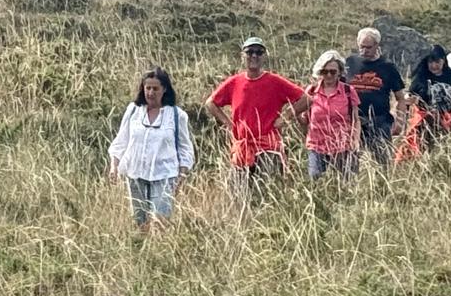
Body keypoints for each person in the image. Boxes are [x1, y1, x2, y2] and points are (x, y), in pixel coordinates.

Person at [208, 36, 307, 201]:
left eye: (259, 52)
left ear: (264, 56)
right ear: (242, 55)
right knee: (239, 199)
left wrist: (285, 117)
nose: (254, 56)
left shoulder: (275, 81)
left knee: (268, 197)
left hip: (268, 148)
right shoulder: (234, 82)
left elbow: (306, 99)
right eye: (250, 52)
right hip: (242, 149)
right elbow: (211, 103)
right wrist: (228, 123)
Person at [108, 67, 195, 232]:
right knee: (140, 222)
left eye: (155, 88)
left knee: (160, 223)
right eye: (148, 88)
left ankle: (159, 251)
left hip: (164, 176)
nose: (151, 92)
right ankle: (141, 253)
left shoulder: (177, 115)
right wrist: (114, 166)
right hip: (135, 174)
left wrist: (181, 176)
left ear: (164, 89)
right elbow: (121, 140)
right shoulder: (133, 110)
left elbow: (185, 149)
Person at [344, 27, 407, 165]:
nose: (365, 51)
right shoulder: (349, 63)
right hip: (354, 120)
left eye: (369, 47)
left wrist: (400, 120)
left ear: (377, 46)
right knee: (350, 162)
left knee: (383, 162)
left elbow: (400, 98)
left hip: (380, 121)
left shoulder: (388, 67)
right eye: (362, 47)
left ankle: (382, 185)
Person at [400, 44, 451, 160]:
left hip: (449, 118)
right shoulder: (421, 77)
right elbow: (410, 94)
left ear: (444, 61)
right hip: (425, 118)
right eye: (430, 62)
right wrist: (408, 99)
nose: (434, 65)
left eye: (437, 62)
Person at [301, 50, 360, 178]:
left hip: (343, 146)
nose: (328, 75)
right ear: (319, 72)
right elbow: (305, 119)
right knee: (315, 181)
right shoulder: (311, 91)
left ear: (340, 72)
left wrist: (355, 141)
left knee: (346, 185)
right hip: (317, 146)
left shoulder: (348, 91)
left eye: (333, 72)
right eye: (324, 71)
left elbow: (355, 119)